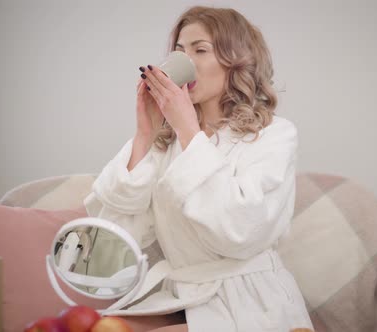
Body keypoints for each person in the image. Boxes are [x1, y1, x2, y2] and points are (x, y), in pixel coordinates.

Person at [83, 5, 314, 332]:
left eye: (200, 50)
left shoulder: (273, 135)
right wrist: (145, 134)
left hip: (248, 302)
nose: (184, 62)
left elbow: (240, 232)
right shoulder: (165, 142)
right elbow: (110, 249)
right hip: (182, 296)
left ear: (235, 61)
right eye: (179, 51)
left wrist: (189, 131)